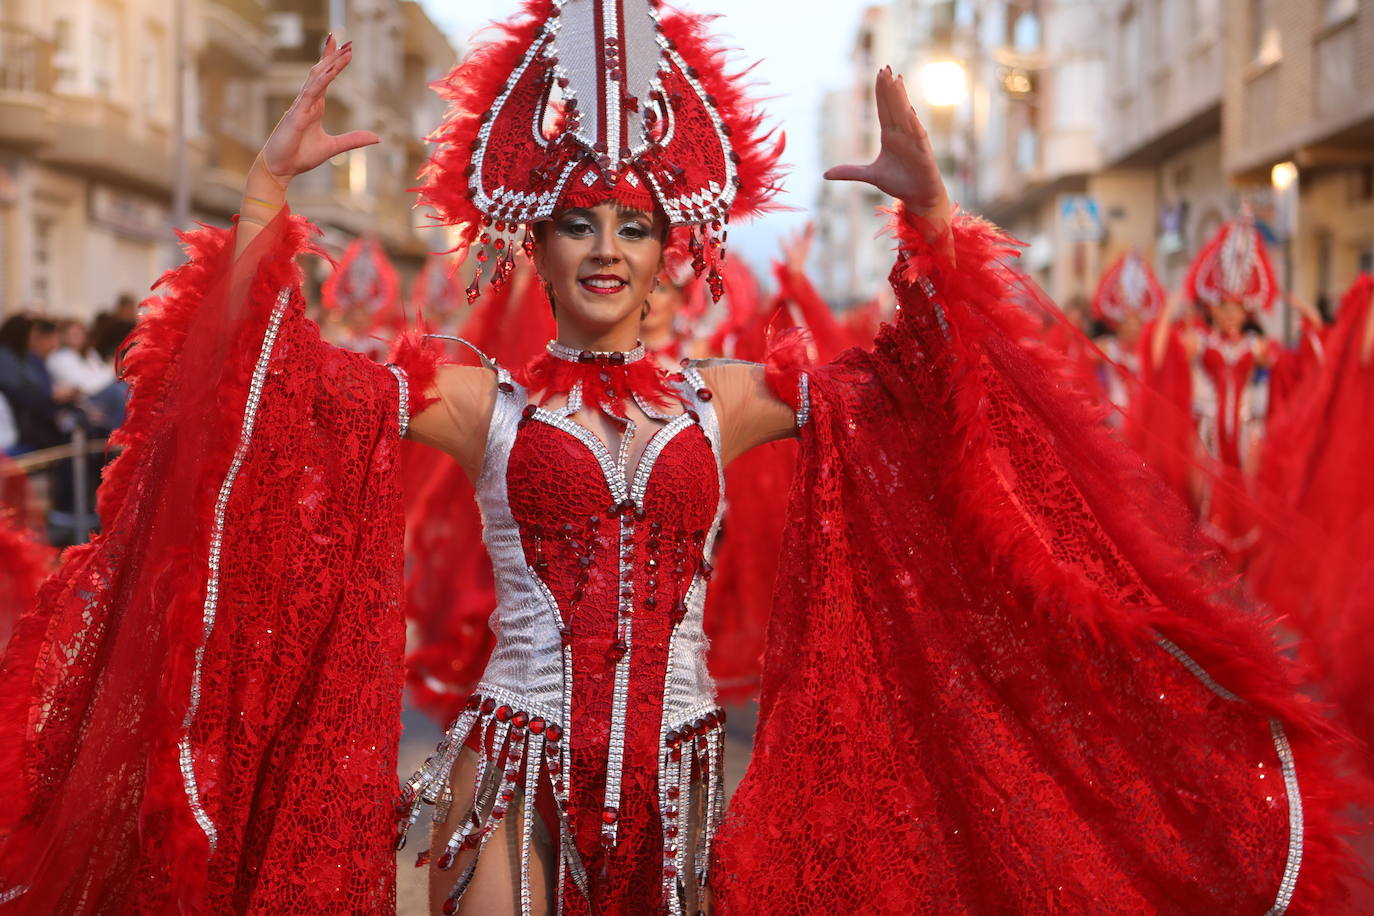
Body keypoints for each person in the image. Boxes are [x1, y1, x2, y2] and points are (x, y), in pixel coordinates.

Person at [0, 10, 1358, 916]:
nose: (604, 246)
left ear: (676, 247)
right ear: (527, 241)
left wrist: (937, 232)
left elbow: (931, 405)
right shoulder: (472, 397)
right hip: (512, 779)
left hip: (696, 781)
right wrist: (255, 216)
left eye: (635, 225)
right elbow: (257, 398)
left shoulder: (737, 399)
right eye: (576, 220)